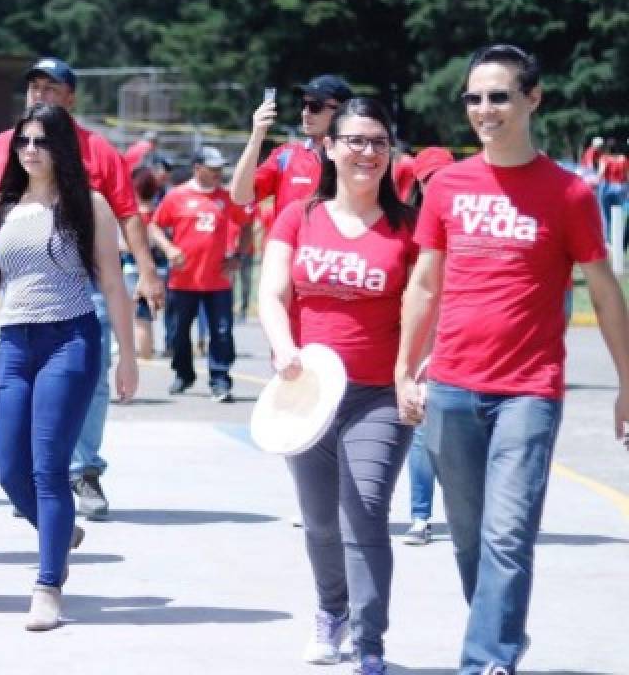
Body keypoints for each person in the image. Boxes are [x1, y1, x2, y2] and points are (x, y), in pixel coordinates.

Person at [395, 44, 629, 675]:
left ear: (532, 99)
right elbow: (424, 283)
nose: (483, 109)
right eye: (474, 97)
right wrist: (403, 367)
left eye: (498, 96)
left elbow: (604, 290)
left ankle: (486, 659)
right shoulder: (447, 187)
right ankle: (501, 633)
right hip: (449, 387)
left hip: (529, 390)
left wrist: (626, 383)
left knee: (507, 535)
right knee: (471, 539)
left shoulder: (569, 193)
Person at [258, 97, 418, 675]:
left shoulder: (409, 229)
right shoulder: (298, 216)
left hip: (378, 394)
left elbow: (428, 307)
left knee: (366, 511)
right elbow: (273, 292)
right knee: (321, 518)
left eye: (378, 142)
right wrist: (283, 346)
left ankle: (370, 641)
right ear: (330, 147)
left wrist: (413, 373)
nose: (367, 152)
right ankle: (332, 612)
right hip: (308, 395)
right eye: (355, 140)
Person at [0, 103, 138, 631]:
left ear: (61, 148)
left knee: (48, 467)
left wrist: (127, 356)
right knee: (9, 469)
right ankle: (57, 530)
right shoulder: (1, 209)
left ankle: (48, 585)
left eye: (42, 141)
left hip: (71, 339)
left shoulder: (88, 205)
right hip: (15, 344)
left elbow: (113, 284)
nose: (31, 150)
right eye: (24, 141)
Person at [0, 56, 163, 520]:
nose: (40, 94)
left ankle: (85, 469)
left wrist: (147, 271)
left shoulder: (97, 150)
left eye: (51, 87)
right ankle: (42, 480)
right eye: (34, 86)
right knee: (25, 395)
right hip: (20, 288)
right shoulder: (3, 147)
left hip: (86, 284)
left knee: (92, 382)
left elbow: (126, 213)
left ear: (70, 97)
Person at [150, 146, 250, 402]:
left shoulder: (227, 198)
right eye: (212, 169)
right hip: (183, 280)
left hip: (218, 281)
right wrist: (169, 248)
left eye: (220, 169)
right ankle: (183, 374)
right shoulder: (177, 197)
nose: (218, 173)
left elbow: (246, 223)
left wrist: (238, 256)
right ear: (197, 169)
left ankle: (220, 378)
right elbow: (154, 227)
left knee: (222, 331)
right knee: (178, 332)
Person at [399, 146, 455, 547]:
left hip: (464, 330)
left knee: (462, 430)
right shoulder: (407, 225)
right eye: (430, 178)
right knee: (421, 425)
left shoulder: (468, 215)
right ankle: (421, 514)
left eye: (445, 175)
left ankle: (471, 512)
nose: (439, 184)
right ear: (418, 183)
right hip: (424, 332)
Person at [230, 74, 355, 222]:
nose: (305, 112)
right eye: (303, 105)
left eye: (315, 107)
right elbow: (240, 196)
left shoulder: (357, 159)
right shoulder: (286, 155)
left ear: (341, 111)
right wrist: (257, 135)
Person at [124, 166, 162, 358]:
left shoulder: (132, 215)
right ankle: (147, 347)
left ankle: (144, 352)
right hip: (159, 267)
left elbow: (123, 244)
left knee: (140, 314)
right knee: (149, 311)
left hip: (133, 267)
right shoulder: (158, 212)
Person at [597, 137, 628, 246]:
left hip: (607, 187)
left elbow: (601, 173)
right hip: (620, 187)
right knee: (620, 214)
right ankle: (619, 239)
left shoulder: (604, 158)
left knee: (605, 216)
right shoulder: (623, 158)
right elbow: (627, 176)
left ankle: (608, 241)